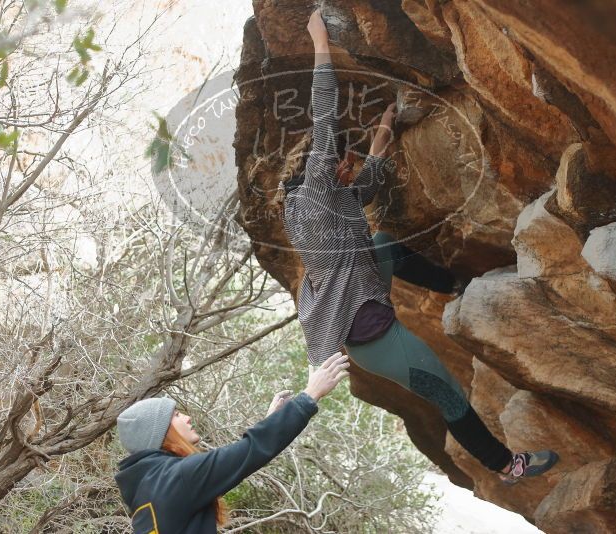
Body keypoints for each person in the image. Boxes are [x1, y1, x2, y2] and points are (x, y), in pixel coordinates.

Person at [278, 8, 559, 484]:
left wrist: (383, 136)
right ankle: (506, 465)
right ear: (326, 166)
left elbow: (363, 189)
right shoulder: (314, 200)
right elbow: (324, 116)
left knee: (385, 242)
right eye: (342, 162)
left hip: (365, 292)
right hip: (373, 336)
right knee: (445, 391)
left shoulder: (321, 199)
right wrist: (321, 44)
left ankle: (453, 286)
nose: (346, 168)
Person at [114, 352, 350, 533]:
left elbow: (232, 459)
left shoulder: (149, 489)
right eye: (175, 416)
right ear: (160, 434)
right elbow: (249, 451)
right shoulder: (176, 479)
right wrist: (309, 396)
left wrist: (271, 421)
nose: (186, 417)